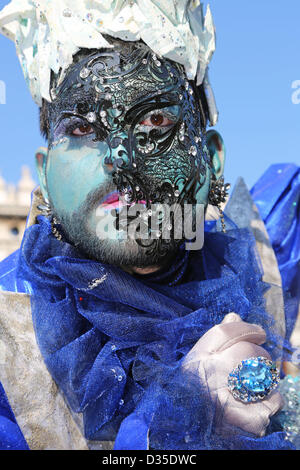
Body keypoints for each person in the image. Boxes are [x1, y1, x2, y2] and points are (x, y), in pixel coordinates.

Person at [0, 0, 299, 451]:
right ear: (44, 175)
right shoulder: (7, 336)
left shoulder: (265, 260)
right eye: (82, 128)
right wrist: (176, 421)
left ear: (213, 158)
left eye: (156, 119)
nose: (121, 157)